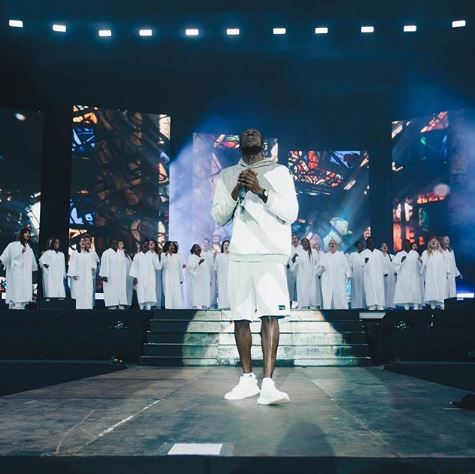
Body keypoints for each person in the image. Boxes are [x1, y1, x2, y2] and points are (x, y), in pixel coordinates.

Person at [212, 128, 298, 405]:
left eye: (255, 132)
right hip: (240, 252)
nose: (250, 133)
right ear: (239, 143)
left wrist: (261, 190)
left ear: (264, 142)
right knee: (240, 316)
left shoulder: (280, 172)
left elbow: (291, 213)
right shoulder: (226, 175)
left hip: (270, 252)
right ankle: (247, 380)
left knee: (270, 315)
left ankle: (269, 384)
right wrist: (237, 190)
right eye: (245, 133)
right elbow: (218, 217)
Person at [0, 228, 38, 309]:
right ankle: (14, 303)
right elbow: (6, 256)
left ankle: (22, 303)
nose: (27, 234)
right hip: (16, 272)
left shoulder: (29, 248)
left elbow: (32, 260)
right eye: (25, 233)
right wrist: (20, 251)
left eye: (29, 233)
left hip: (25, 272)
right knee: (16, 287)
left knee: (24, 287)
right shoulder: (13, 245)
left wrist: (34, 267)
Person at [318, 239, 351, 309]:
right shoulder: (325, 256)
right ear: (329, 246)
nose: (332, 245)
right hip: (328, 281)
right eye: (331, 244)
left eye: (334, 244)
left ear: (337, 246)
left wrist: (348, 275)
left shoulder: (341, 255)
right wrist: (321, 268)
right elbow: (319, 266)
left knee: (340, 295)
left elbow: (346, 266)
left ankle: (342, 311)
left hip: (339, 280)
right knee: (328, 296)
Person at [129, 240, 161, 310]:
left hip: (150, 278)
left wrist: (155, 254)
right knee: (141, 292)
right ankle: (141, 308)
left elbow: (157, 267)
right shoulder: (137, 256)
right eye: (144, 244)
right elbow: (134, 267)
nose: (146, 245)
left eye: (148, 244)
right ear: (141, 245)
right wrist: (134, 278)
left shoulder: (153, 255)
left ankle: (148, 307)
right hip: (140, 278)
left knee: (149, 292)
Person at [421, 237, 450, 310]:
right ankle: (432, 311)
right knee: (432, 294)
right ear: (429, 244)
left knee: (441, 292)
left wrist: (447, 273)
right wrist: (420, 261)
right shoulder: (426, 253)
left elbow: (446, 264)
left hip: (440, 276)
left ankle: (442, 308)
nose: (433, 242)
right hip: (430, 276)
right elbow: (423, 262)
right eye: (431, 241)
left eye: (435, 241)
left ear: (437, 243)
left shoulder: (441, 253)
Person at [393, 239, 423, 310]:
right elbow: (394, 266)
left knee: (415, 293)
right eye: (404, 243)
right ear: (403, 245)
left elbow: (420, 265)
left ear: (410, 244)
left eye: (407, 243)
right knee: (405, 294)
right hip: (404, 278)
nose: (406, 245)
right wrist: (401, 260)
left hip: (414, 277)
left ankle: (416, 308)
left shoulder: (415, 253)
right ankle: (406, 308)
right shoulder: (399, 254)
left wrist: (420, 262)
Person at [99, 239, 128, 309]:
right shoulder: (106, 253)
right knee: (111, 299)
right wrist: (104, 275)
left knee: (120, 297)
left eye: (116, 243)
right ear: (110, 244)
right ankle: (112, 305)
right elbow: (103, 264)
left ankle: (121, 304)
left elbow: (124, 266)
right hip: (110, 278)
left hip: (120, 278)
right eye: (113, 243)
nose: (115, 244)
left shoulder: (120, 253)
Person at [68, 236, 95, 309]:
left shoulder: (89, 253)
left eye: (84, 241)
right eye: (81, 241)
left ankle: (88, 308)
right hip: (78, 278)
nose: (83, 242)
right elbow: (72, 265)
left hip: (87, 277)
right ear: (78, 243)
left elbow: (93, 264)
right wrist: (74, 274)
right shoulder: (75, 253)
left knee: (87, 292)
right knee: (78, 293)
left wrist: (93, 269)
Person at [290, 237, 317, 309]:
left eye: (306, 242)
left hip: (312, 276)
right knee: (302, 289)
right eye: (303, 242)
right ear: (301, 244)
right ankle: (302, 304)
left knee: (312, 290)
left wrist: (317, 271)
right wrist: (293, 258)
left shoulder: (314, 252)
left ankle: (312, 305)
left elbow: (318, 263)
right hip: (302, 276)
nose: (305, 243)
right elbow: (293, 265)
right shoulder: (299, 252)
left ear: (309, 243)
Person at [360, 237, 385, 310]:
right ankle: (371, 305)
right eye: (369, 242)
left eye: (372, 242)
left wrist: (384, 272)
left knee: (379, 289)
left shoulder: (379, 253)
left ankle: (380, 305)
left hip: (378, 276)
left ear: (374, 243)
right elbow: (360, 264)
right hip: (369, 276)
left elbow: (383, 264)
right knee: (370, 290)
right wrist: (365, 261)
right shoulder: (364, 253)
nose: (371, 243)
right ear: (367, 243)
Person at [161, 241, 184, 309]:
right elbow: (162, 265)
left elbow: (179, 267)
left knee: (176, 292)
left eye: (173, 245)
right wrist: (165, 254)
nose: (172, 246)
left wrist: (181, 278)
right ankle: (168, 308)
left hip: (176, 277)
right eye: (170, 245)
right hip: (167, 276)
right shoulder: (163, 255)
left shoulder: (177, 256)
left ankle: (177, 308)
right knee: (168, 291)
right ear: (167, 246)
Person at [187, 244, 210, 309]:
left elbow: (206, 270)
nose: (198, 248)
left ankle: (204, 308)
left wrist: (208, 280)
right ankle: (195, 310)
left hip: (204, 281)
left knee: (204, 295)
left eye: (199, 247)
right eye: (196, 248)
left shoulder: (203, 257)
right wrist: (198, 263)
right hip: (196, 282)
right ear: (193, 250)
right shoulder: (191, 258)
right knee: (196, 296)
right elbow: (190, 269)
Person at [83, 234, 100, 307]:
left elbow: (98, 262)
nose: (87, 242)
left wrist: (95, 267)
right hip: (82, 277)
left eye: (89, 240)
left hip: (91, 277)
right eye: (86, 240)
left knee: (90, 293)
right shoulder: (80, 252)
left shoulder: (93, 252)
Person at [349, 241, 366, 309]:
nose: (360, 247)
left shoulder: (366, 254)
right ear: (356, 247)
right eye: (358, 245)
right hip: (355, 276)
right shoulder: (352, 255)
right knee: (355, 290)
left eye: (361, 245)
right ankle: (356, 305)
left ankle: (364, 305)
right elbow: (349, 265)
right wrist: (350, 274)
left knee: (364, 290)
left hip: (364, 275)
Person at [214, 240, 230, 309]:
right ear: (222, 246)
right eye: (225, 245)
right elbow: (215, 267)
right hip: (222, 278)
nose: (226, 246)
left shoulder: (232, 256)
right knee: (222, 292)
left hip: (231, 277)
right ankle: (223, 306)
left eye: (228, 245)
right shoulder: (219, 256)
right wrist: (214, 257)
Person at [380, 242, 397, 310]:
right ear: (380, 248)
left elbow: (396, 265)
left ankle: (391, 305)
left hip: (391, 277)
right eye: (383, 246)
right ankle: (383, 305)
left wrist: (396, 271)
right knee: (383, 291)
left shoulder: (392, 256)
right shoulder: (379, 257)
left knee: (391, 291)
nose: (384, 246)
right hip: (382, 277)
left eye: (386, 245)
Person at [117, 240, 134, 307]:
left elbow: (131, 265)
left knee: (128, 291)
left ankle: (128, 304)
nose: (122, 245)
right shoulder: (117, 254)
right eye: (120, 244)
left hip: (129, 277)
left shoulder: (127, 255)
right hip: (121, 276)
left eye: (123, 244)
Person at [287, 235, 301, 305]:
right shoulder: (289, 248)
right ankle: (290, 304)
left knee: (300, 287)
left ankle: (300, 304)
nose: (294, 240)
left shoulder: (301, 248)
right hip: (290, 271)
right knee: (290, 288)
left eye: (296, 238)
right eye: (293, 239)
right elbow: (287, 258)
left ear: (298, 240)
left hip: (299, 270)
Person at [148, 239, 163, 309]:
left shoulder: (157, 254)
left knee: (157, 288)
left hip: (156, 274)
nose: (151, 244)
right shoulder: (145, 254)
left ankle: (156, 305)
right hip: (147, 275)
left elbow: (159, 266)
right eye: (149, 243)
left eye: (152, 243)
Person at [200, 237, 214, 308]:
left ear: (209, 244)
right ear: (201, 244)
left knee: (207, 290)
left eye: (207, 243)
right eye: (204, 243)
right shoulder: (199, 253)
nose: (205, 244)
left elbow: (212, 266)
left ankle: (207, 304)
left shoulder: (210, 253)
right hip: (200, 275)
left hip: (208, 274)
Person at [311, 242, 323, 309]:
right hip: (314, 277)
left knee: (321, 292)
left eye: (317, 247)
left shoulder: (323, 255)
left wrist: (320, 271)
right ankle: (315, 306)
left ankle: (321, 306)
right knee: (315, 291)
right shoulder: (312, 256)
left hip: (322, 277)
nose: (316, 249)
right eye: (314, 247)